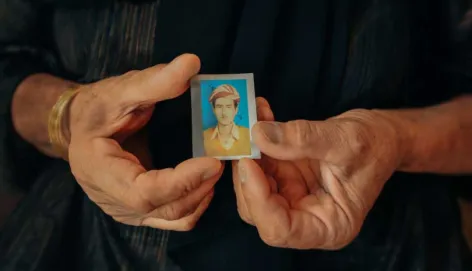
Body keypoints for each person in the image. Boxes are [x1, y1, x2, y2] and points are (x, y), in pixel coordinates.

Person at [0, 0, 472, 270]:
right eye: (221, 106)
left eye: (228, 105)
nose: (225, 110)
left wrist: (396, 140)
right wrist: (67, 117)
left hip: (388, 248)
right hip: (88, 249)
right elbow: (7, 66)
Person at [203, 84, 251, 157]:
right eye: (219, 107)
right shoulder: (203, 137)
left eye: (228, 107)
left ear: (236, 110)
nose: (224, 112)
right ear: (213, 109)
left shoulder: (249, 135)